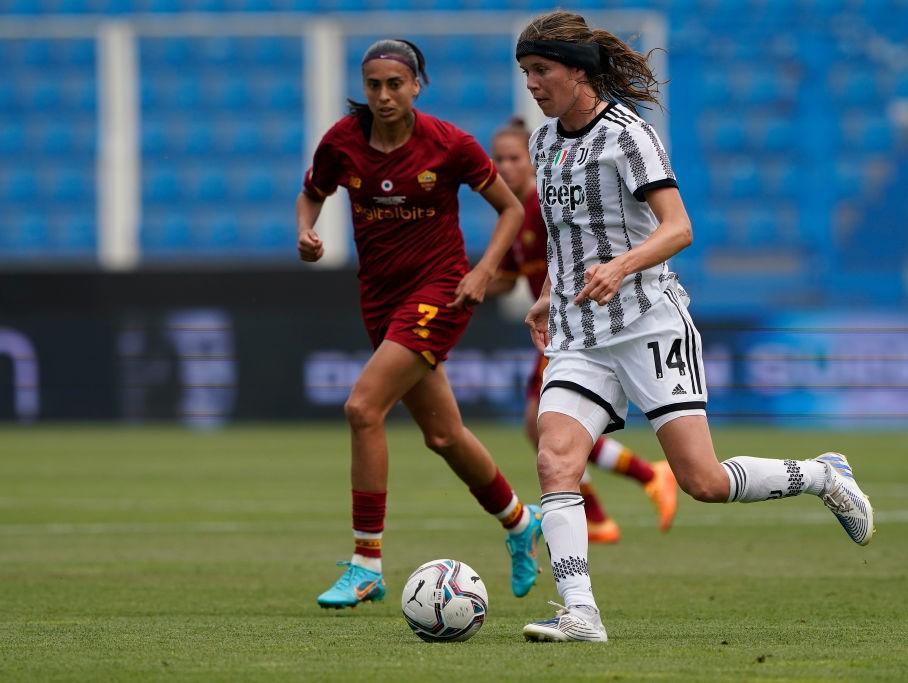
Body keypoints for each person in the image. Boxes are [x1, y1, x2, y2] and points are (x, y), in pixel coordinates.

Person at [513, 11, 875, 643]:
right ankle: (580, 613)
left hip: (649, 323)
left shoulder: (629, 136)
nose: (533, 85)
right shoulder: (545, 143)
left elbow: (679, 227)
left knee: (703, 482)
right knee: (555, 461)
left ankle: (822, 475)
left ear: (578, 71)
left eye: (542, 70)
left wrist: (621, 267)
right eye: (526, 73)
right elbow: (565, 236)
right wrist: (549, 293)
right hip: (579, 334)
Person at [296, 38, 543, 609]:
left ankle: (366, 563)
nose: (383, 96)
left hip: (438, 291)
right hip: (378, 298)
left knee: (362, 407)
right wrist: (306, 232)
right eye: (373, 85)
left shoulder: (449, 144)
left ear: (416, 87)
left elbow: (510, 208)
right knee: (443, 435)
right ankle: (518, 520)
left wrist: (484, 271)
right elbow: (311, 194)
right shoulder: (342, 141)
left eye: (394, 85)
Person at [486, 117, 678, 544]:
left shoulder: (539, 207)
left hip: (578, 323)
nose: (505, 167)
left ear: (534, 162)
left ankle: (608, 505)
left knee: (546, 426)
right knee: (545, 428)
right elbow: (510, 276)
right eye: (497, 159)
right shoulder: (516, 215)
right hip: (556, 323)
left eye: (514, 158)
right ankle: (618, 499)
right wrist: (467, 282)